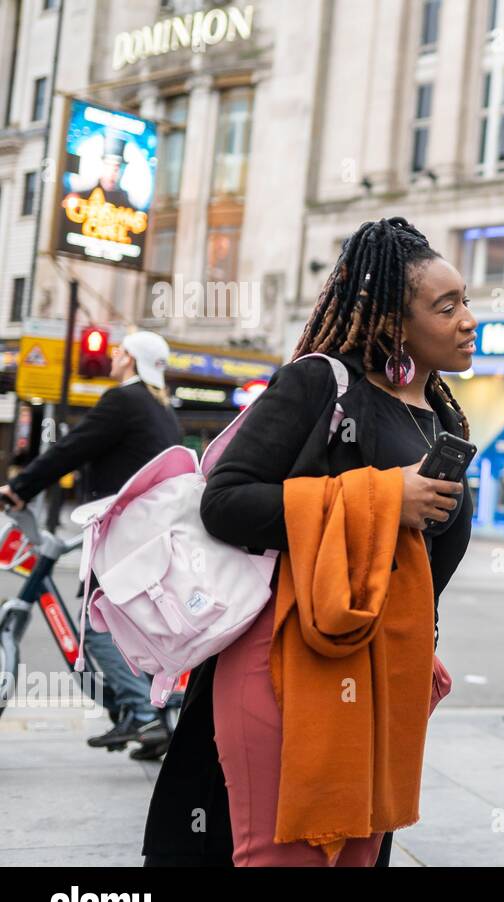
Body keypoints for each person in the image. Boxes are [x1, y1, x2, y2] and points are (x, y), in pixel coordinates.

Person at [141, 216, 476, 866]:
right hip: (289, 659)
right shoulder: (321, 383)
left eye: (464, 300)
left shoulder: (442, 410)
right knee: (287, 854)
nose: (469, 317)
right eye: (447, 305)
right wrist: (383, 498)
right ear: (393, 322)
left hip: (381, 665)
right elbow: (227, 502)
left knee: (358, 852)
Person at [0, 330, 182, 759]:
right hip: (150, 534)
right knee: (128, 623)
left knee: (96, 623)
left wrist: (20, 487)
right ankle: (148, 716)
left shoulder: (124, 401)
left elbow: (73, 448)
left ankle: (142, 712)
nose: (114, 357)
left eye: (121, 352)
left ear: (133, 361)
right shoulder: (162, 410)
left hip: (122, 532)